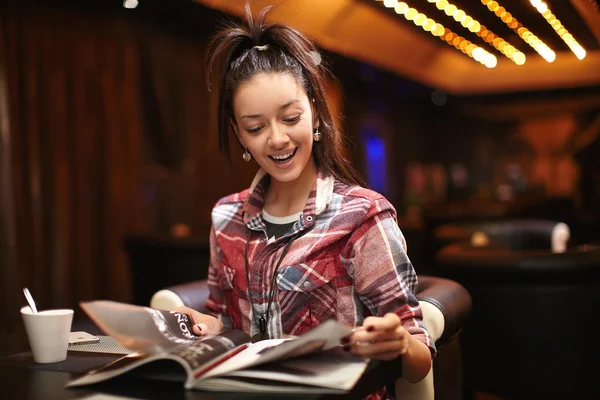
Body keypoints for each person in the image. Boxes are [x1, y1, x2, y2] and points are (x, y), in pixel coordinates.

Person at [176, 4, 435, 397]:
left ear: (316, 113)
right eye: (256, 127)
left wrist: (399, 342)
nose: (277, 139)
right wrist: (210, 327)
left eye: (291, 117)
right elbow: (223, 320)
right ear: (239, 134)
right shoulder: (226, 217)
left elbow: (420, 360)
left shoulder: (363, 215)